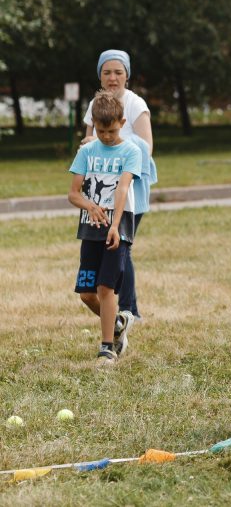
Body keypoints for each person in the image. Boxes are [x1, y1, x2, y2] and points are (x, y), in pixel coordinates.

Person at [82, 50, 156, 325]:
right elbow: (89, 139)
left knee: (122, 246)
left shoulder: (135, 104)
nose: (112, 78)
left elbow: (147, 146)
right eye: (107, 72)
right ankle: (120, 310)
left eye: (118, 72)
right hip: (101, 189)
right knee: (109, 247)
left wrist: (117, 147)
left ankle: (130, 309)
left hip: (130, 187)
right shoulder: (95, 104)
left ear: (127, 75)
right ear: (100, 75)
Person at [68, 92, 142, 365]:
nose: (107, 136)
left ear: (122, 122)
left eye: (111, 130)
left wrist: (114, 224)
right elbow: (73, 193)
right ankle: (119, 323)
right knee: (87, 294)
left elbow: (122, 187)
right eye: (100, 131)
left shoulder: (130, 151)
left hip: (118, 227)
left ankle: (107, 347)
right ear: (94, 125)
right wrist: (89, 206)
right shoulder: (87, 151)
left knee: (105, 288)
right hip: (91, 228)